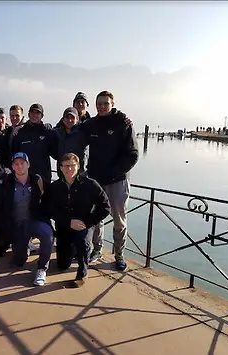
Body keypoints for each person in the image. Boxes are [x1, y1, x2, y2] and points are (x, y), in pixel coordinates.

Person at [78, 91, 139, 270]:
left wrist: (115, 172)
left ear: (113, 104)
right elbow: (71, 130)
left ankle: (119, 254)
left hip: (118, 180)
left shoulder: (123, 123)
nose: (102, 106)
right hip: (96, 180)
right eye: (99, 103)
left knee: (119, 220)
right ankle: (97, 250)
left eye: (106, 103)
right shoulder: (91, 124)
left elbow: (133, 155)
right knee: (97, 218)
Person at [45, 153, 110, 286]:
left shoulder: (90, 185)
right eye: (66, 166)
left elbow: (105, 207)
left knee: (82, 241)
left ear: (79, 166)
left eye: (72, 166)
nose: (69, 169)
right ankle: (71, 250)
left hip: (83, 225)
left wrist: (88, 222)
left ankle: (82, 273)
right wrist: (67, 221)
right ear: (61, 168)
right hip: (64, 225)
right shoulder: (55, 187)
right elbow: (49, 209)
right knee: (62, 265)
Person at [3, 152, 54, 286]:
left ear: (28, 164)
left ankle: (42, 269)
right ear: (12, 166)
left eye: (22, 163)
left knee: (47, 234)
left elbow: (53, 196)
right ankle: (24, 247)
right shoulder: (7, 182)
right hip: (18, 225)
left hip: (35, 222)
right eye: (16, 164)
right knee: (19, 261)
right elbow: (1, 206)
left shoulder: (37, 180)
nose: (20, 166)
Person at [11, 103, 55, 184]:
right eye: (32, 112)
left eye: (37, 113)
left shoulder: (47, 132)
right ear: (28, 114)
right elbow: (14, 156)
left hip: (43, 177)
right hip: (24, 178)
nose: (34, 115)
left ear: (42, 116)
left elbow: (55, 154)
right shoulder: (20, 132)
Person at [53, 107, 85, 178]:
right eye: (67, 117)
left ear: (77, 119)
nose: (69, 120)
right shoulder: (56, 134)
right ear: (63, 120)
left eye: (72, 118)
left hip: (79, 175)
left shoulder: (83, 133)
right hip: (62, 174)